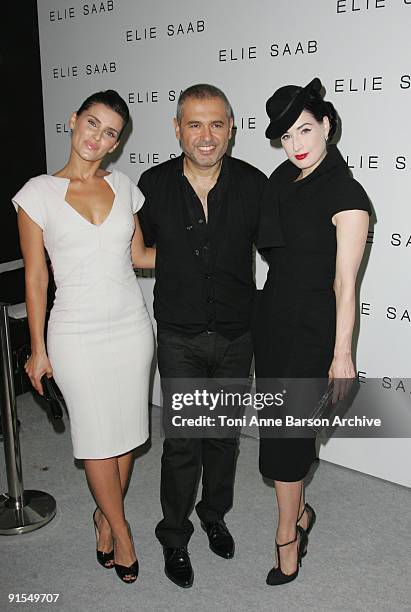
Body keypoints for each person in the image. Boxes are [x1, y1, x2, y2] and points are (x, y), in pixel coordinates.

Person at [13, 90, 155, 584]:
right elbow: (36, 277)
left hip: (132, 328)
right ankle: (123, 531)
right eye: (92, 124)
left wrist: (205, 247)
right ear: (74, 121)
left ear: (118, 143)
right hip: (74, 332)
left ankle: (102, 517)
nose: (98, 137)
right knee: (96, 440)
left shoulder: (125, 187)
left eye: (110, 132)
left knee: (126, 439)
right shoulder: (36, 194)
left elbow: (141, 256)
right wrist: (37, 348)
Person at [138, 84, 266, 588]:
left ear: (232, 128)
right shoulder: (152, 185)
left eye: (216, 123)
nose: (206, 135)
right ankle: (174, 535)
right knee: (184, 440)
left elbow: (283, 250)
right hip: (180, 335)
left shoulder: (255, 185)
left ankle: (214, 513)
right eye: (194, 124)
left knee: (223, 438)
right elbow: (129, 250)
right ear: (177, 129)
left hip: (237, 333)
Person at [254, 77, 371, 585]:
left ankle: (287, 536)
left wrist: (341, 355)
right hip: (274, 322)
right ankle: (300, 513)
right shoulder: (281, 179)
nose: (297, 145)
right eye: (286, 137)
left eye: (304, 130)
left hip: (313, 330)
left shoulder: (347, 194)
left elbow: (346, 284)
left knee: (286, 438)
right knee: (280, 433)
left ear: (327, 125)